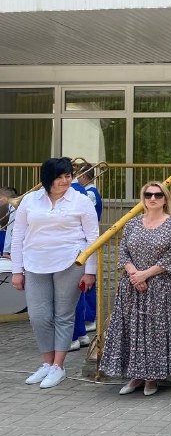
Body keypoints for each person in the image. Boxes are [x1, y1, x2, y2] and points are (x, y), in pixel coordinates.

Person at [100, 182, 171, 396]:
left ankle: (152, 378)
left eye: (157, 195)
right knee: (133, 331)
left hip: (162, 287)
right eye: (148, 195)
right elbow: (123, 251)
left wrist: (145, 274)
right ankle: (135, 376)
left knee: (155, 332)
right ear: (143, 198)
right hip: (132, 287)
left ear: (165, 199)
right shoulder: (132, 223)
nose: (152, 198)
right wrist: (134, 274)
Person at [10, 158, 99, 389]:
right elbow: (18, 236)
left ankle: (58, 366)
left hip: (70, 263)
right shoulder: (30, 200)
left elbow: (93, 239)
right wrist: (17, 270)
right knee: (38, 316)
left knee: (63, 315)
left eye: (68, 176)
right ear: (48, 178)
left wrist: (90, 272)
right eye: (60, 177)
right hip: (34, 263)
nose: (65, 181)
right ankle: (47, 363)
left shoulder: (81, 201)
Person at [70, 163, 103, 349]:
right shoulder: (85, 191)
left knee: (82, 289)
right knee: (81, 290)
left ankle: (87, 321)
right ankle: (81, 329)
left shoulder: (85, 193)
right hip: (83, 243)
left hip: (83, 243)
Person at [0, 186, 18, 256]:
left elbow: (11, 229)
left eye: (0, 197)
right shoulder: (5, 207)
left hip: (11, 245)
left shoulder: (14, 207)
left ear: (7, 197)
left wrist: (6, 250)